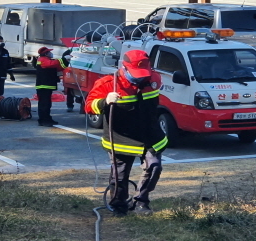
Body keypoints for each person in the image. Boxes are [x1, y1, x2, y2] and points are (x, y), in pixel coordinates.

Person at [85, 49, 168, 216]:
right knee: (119, 175)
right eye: (136, 73)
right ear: (124, 68)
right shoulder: (108, 84)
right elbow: (88, 107)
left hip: (149, 135)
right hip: (122, 138)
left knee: (154, 167)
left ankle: (141, 201)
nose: (141, 77)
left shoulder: (154, 78)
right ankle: (118, 205)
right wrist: (104, 102)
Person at [35, 46, 72, 126]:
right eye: (49, 52)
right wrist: (63, 59)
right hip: (43, 86)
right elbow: (51, 64)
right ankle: (43, 120)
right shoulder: (42, 59)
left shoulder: (47, 60)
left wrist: (66, 61)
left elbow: (59, 67)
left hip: (47, 86)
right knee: (44, 104)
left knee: (47, 104)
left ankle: (47, 118)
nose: (51, 53)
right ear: (46, 53)